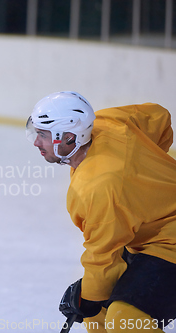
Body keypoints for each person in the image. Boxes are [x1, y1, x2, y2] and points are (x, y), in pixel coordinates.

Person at [26, 91, 176, 332]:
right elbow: (158, 115)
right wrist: (147, 172)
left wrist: (88, 297)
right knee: (98, 317)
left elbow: (103, 254)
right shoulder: (108, 123)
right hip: (155, 236)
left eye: (42, 135)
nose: (36, 142)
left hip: (169, 242)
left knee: (123, 319)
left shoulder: (99, 187)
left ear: (68, 137)